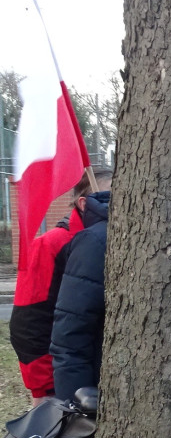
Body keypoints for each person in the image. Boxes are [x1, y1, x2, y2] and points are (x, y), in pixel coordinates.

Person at [11, 168, 112, 404]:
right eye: (106, 196)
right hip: (59, 381)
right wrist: (44, 389)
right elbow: (28, 321)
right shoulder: (50, 244)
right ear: (83, 202)